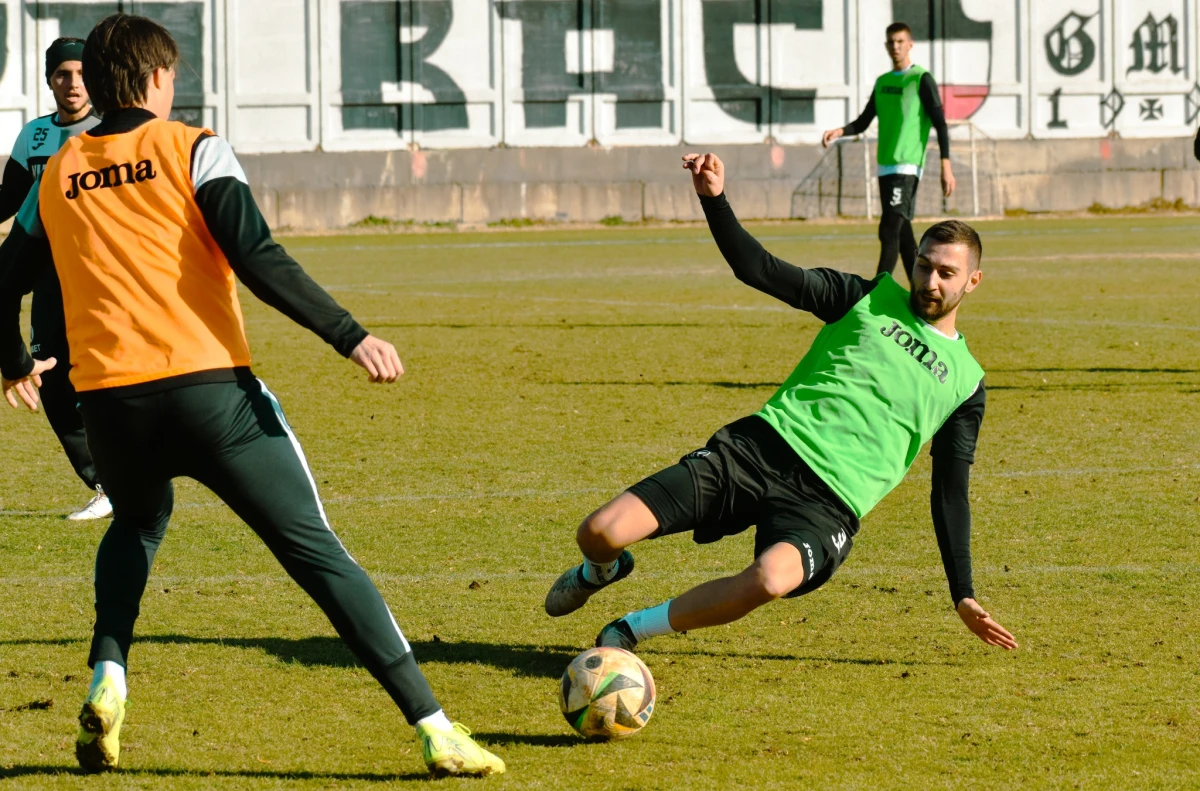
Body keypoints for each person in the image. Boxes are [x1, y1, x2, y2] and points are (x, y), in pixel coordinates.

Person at [0, 14, 503, 778]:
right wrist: (348, 333)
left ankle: (109, 670)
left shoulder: (59, 169)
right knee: (315, 552)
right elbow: (256, 253)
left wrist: (11, 364)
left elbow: (2, 282)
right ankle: (434, 725)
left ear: (96, 85)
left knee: (137, 521)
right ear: (158, 79)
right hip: (212, 397)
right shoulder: (192, 147)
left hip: (111, 406)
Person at [544, 152, 1017, 660]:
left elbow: (950, 491)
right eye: (924, 265)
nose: (930, 281)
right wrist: (714, 199)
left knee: (770, 578)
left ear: (972, 281)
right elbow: (758, 269)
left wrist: (962, 591)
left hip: (827, 503)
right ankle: (604, 570)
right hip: (758, 450)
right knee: (599, 531)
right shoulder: (863, 297)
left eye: (947, 273)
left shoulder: (967, 383)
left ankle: (632, 630)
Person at [0, 38, 109, 520]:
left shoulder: (111, 132)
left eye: (81, 73)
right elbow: (8, 201)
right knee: (52, 380)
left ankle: (138, 469)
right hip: (46, 277)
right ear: (49, 80)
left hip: (103, 278)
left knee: (111, 376)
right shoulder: (35, 137)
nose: (73, 83)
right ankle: (106, 484)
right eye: (62, 74)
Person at [822, 22, 955, 282]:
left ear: (910, 44)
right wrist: (840, 130)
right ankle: (919, 296)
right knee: (904, 237)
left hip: (907, 166)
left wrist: (945, 165)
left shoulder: (920, 79)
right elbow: (864, 121)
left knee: (888, 229)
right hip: (885, 166)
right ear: (886, 46)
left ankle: (876, 292)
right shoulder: (883, 82)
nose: (896, 46)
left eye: (900, 41)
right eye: (891, 42)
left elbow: (940, 124)